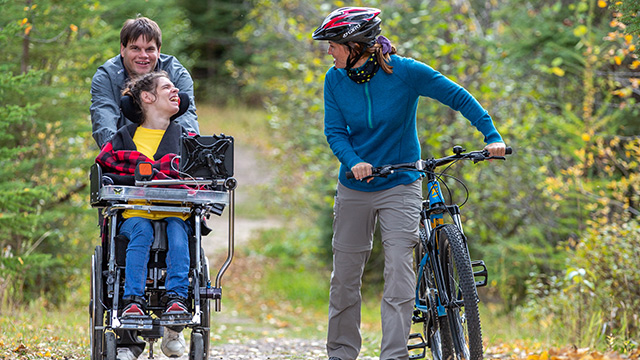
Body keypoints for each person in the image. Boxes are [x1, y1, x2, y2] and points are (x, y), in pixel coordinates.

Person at [312, 7, 506, 360]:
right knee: (344, 278)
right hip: (355, 187)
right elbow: (335, 132)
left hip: (400, 183)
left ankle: (394, 355)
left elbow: (458, 96)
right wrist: (355, 163)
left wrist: (491, 135)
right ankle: (341, 353)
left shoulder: (405, 72)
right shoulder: (334, 80)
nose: (329, 51)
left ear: (356, 45)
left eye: (334, 45)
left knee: (399, 272)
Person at [95, 71, 192, 360]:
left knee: (178, 232)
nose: (176, 91)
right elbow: (107, 169)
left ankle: (177, 299)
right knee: (141, 231)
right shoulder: (125, 138)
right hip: (137, 212)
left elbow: (198, 176)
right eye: (167, 88)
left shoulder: (186, 139)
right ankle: (132, 300)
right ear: (148, 98)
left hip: (175, 212)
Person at [90, 16, 199, 149]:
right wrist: (114, 154)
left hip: (169, 148)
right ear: (122, 49)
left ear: (158, 51)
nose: (143, 55)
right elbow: (104, 115)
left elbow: (186, 116)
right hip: (123, 147)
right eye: (135, 48)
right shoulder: (106, 76)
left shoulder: (177, 74)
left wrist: (190, 150)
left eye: (149, 49)